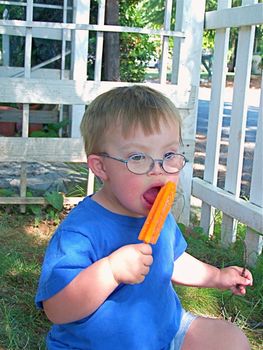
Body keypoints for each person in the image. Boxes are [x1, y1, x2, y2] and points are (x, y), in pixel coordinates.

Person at [35, 85, 253, 350]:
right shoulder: (81, 232)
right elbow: (57, 309)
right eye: (138, 157)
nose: (158, 170)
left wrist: (217, 277)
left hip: (165, 330)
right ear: (101, 167)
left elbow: (172, 259)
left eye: (169, 155)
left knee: (231, 340)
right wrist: (111, 271)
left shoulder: (158, 216)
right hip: (97, 345)